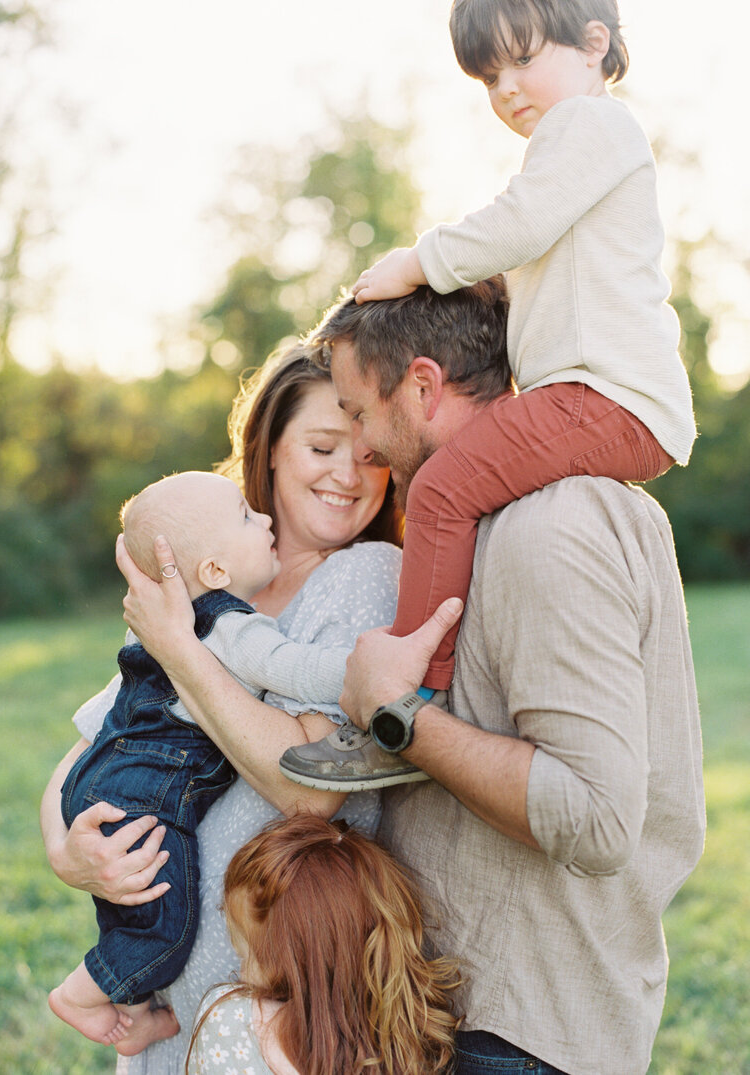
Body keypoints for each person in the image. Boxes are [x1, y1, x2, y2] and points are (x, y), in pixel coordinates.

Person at [280, 282, 706, 1074]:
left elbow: (594, 814)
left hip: (521, 1034)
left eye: (359, 412)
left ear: (423, 385)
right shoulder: (486, 519)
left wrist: (393, 712)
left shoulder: (553, 525)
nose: (361, 446)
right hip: (478, 1012)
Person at [40, 344, 403, 1073]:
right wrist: (67, 851)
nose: (348, 472)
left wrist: (182, 649)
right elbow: (93, 750)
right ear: (269, 450)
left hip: (269, 1003)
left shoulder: (365, 572)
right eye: (322, 446)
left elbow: (311, 789)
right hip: (160, 1000)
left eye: (370, 451)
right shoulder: (205, 588)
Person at [349, 0, 696, 696]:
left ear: (594, 43)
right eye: (488, 77)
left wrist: (415, 263)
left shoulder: (589, 122)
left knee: (443, 486)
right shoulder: (582, 148)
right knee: (473, 485)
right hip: (598, 395)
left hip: (604, 395)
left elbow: (519, 223)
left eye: (523, 59)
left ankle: (414, 687)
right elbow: (526, 262)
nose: (505, 88)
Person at [186, 814, 461, 1074]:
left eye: (252, 957)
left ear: (304, 962)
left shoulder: (231, 1023)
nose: (242, 974)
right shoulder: (401, 1051)